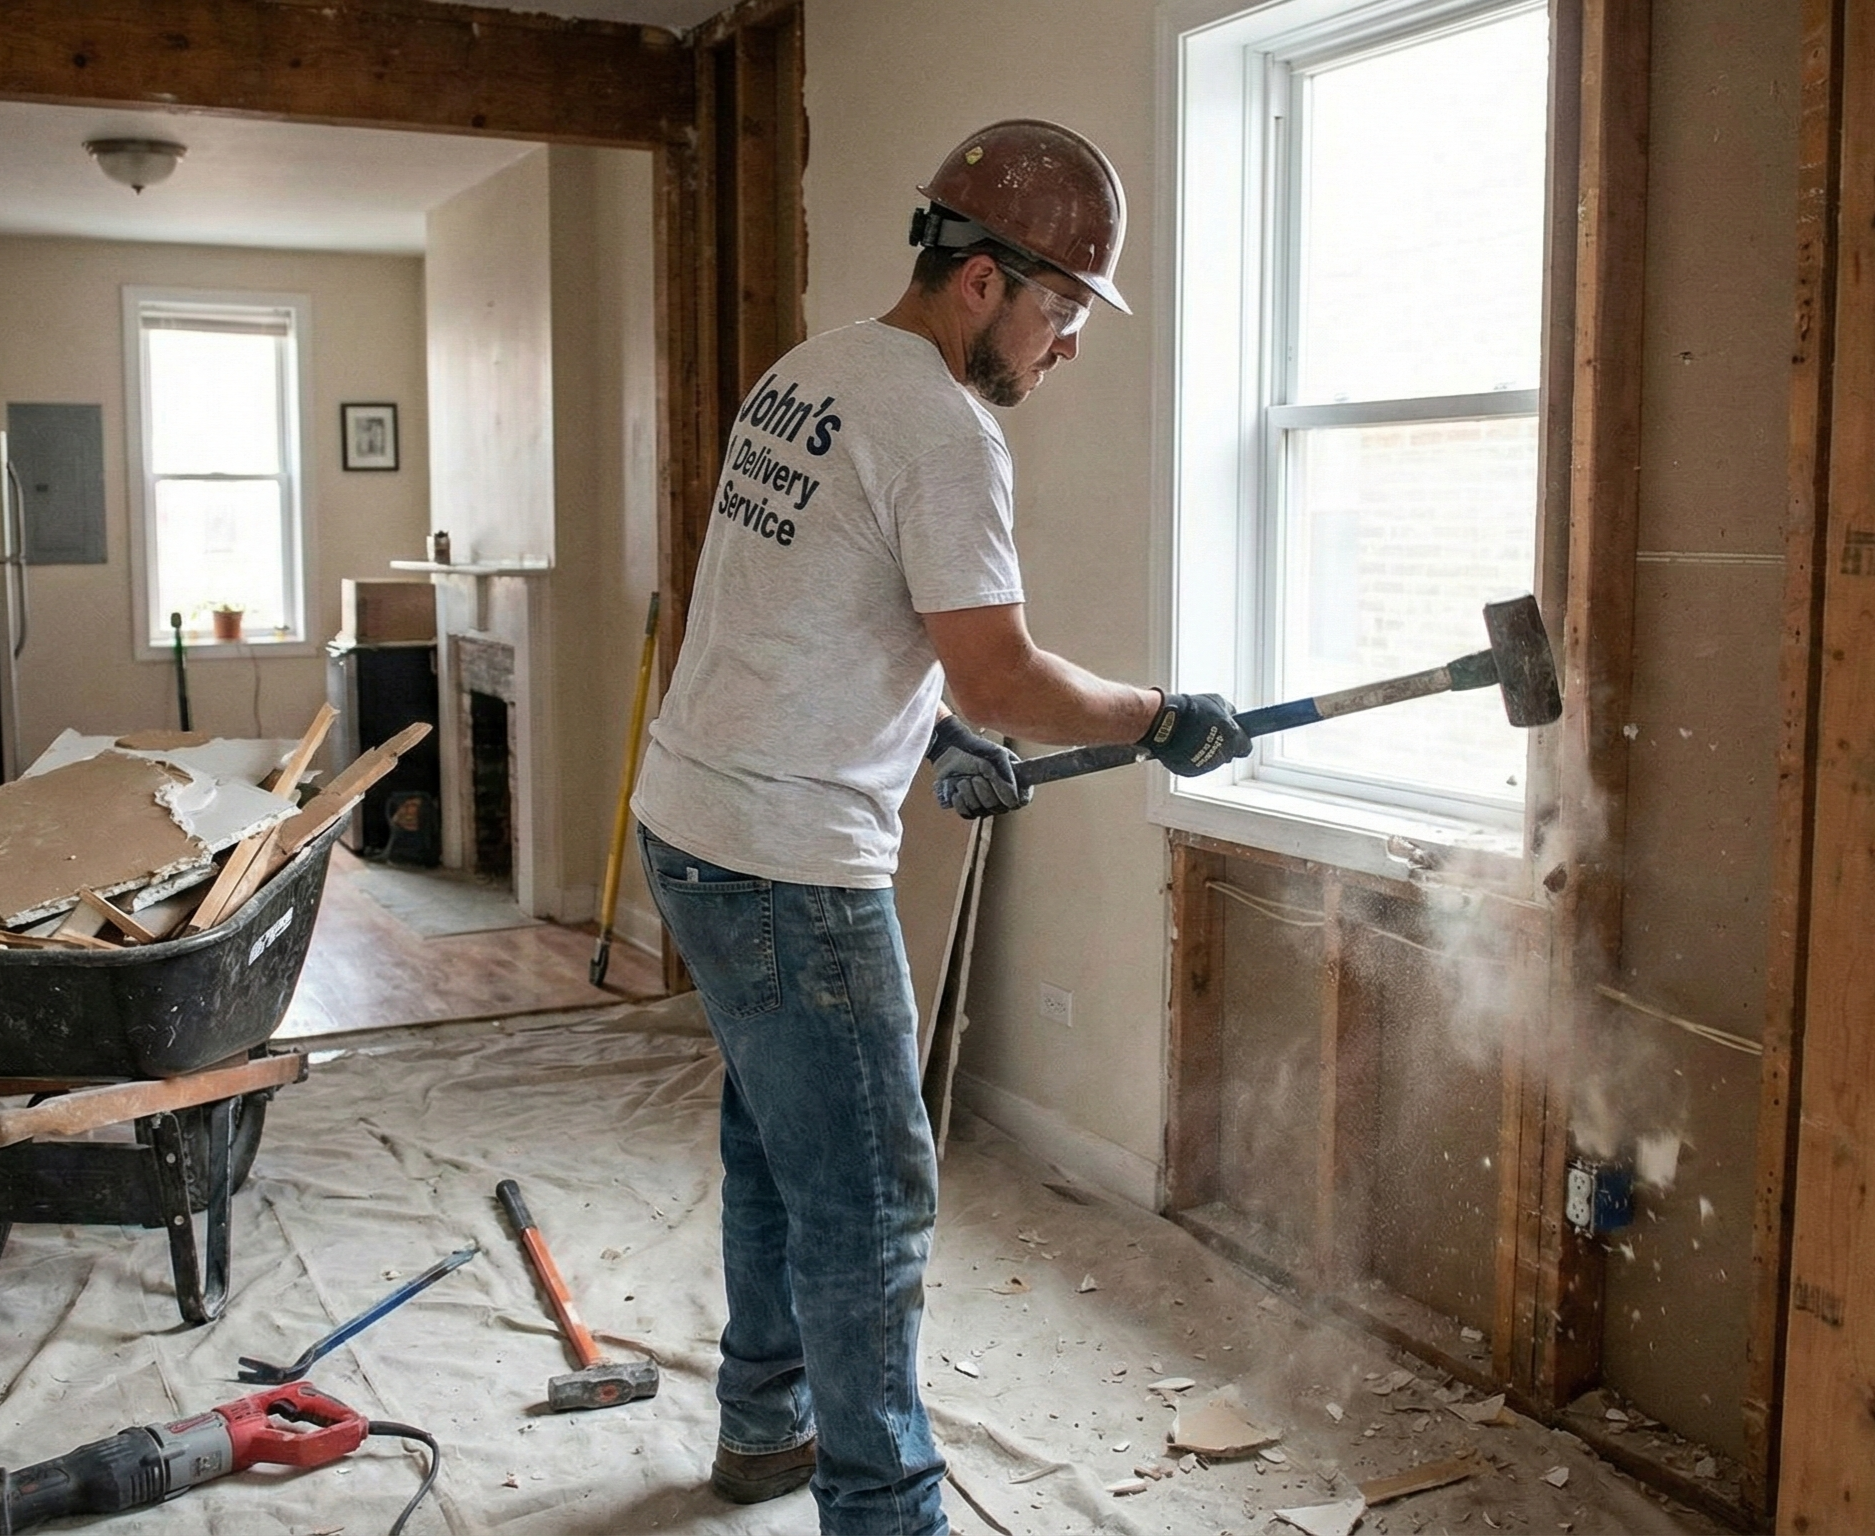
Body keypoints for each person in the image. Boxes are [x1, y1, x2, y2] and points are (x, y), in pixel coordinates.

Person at [630, 118, 1252, 1536]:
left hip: (693, 818)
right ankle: (884, 1508)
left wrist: (934, 732)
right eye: (1064, 310)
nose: (1070, 345)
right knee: (872, 1197)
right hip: (785, 859)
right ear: (983, 280)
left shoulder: (815, 371)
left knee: (772, 1141)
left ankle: (764, 1423)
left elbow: (820, 614)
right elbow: (1002, 668)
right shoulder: (946, 430)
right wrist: (1156, 716)